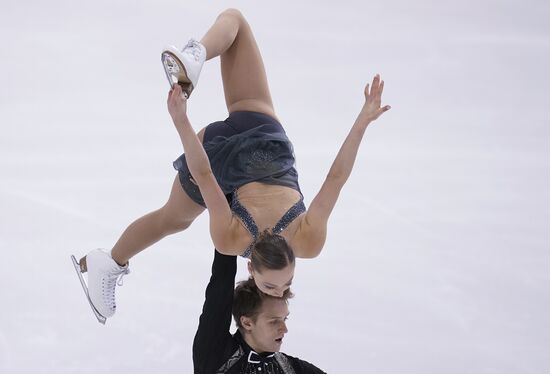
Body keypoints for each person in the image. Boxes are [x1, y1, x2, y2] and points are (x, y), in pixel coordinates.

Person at [73, 8, 390, 321]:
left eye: (272, 286)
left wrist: (363, 121)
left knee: (235, 20)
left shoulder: (305, 240)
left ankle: (198, 56)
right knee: (172, 219)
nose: (281, 289)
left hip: (263, 137)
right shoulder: (237, 240)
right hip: (226, 150)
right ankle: (110, 261)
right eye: (287, 284)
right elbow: (204, 173)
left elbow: (335, 178)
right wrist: (181, 123)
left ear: (252, 270)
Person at [193, 248, 326, 373]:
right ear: (247, 323)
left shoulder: (289, 368)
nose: (284, 329)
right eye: (274, 321)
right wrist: (229, 239)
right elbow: (221, 285)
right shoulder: (216, 356)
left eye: (284, 319)